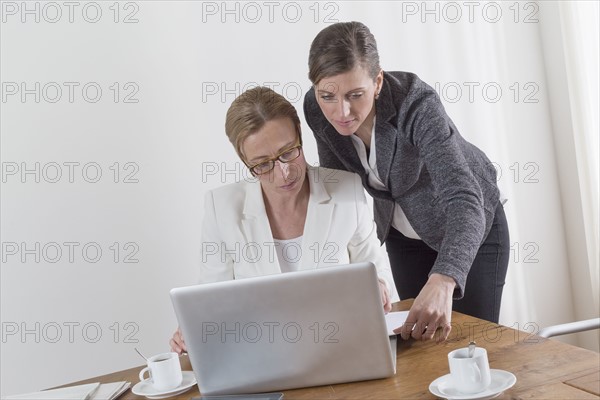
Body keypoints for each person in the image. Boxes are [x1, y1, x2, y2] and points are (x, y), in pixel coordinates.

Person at [303, 21, 509, 342]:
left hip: (469, 225)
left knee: (473, 344)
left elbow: (463, 199)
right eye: (327, 95)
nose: (341, 111)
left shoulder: (415, 103)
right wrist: (362, 274)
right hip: (403, 234)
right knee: (420, 345)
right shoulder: (316, 110)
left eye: (355, 95)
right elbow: (340, 195)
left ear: (378, 81)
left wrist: (444, 279)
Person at [170, 86, 397, 354]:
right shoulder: (222, 207)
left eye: (288, 151)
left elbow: (376, 270)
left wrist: (379, 286)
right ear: (245, 162)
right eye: (263, 164)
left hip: (341, 348)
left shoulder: (346, 190)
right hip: (263, 356)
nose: (283, 173)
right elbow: (210, 297)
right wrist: (193, 325)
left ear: (300, 136)